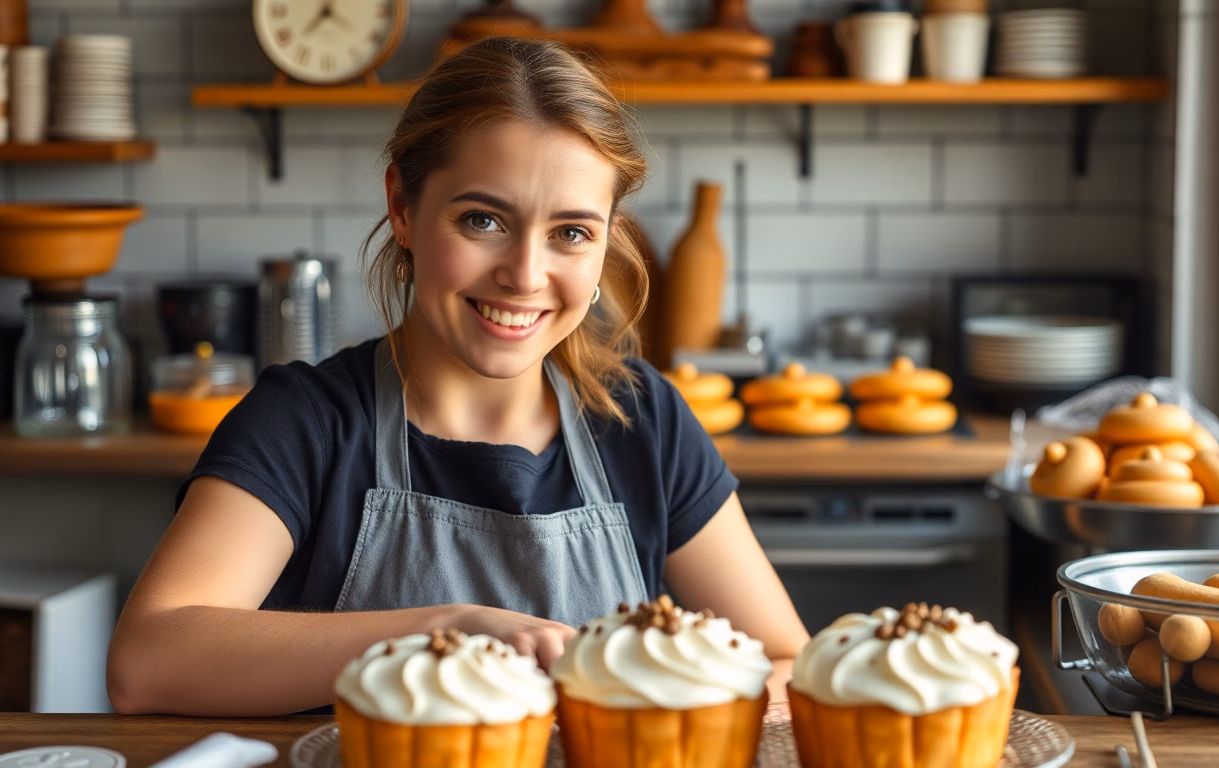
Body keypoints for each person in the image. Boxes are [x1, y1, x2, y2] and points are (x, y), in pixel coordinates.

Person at [106, 37, 808, 717]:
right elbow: (147, 663)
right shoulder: (307, 422)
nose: (526, 276)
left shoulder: (642, 419)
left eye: (571, 232)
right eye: (483, 220)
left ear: (607, 240)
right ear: (404, 209)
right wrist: (446, 630)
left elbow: (784, 661)